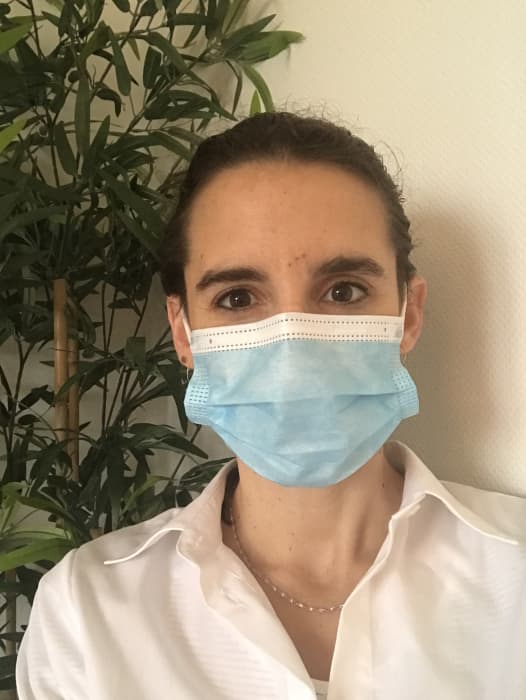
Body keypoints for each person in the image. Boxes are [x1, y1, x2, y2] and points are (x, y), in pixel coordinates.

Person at [16, 112, 526, 700]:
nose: (293, 349)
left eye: (343, 291)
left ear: (408, 314)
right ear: (183, 333)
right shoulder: (86, 614)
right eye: (237, 298)